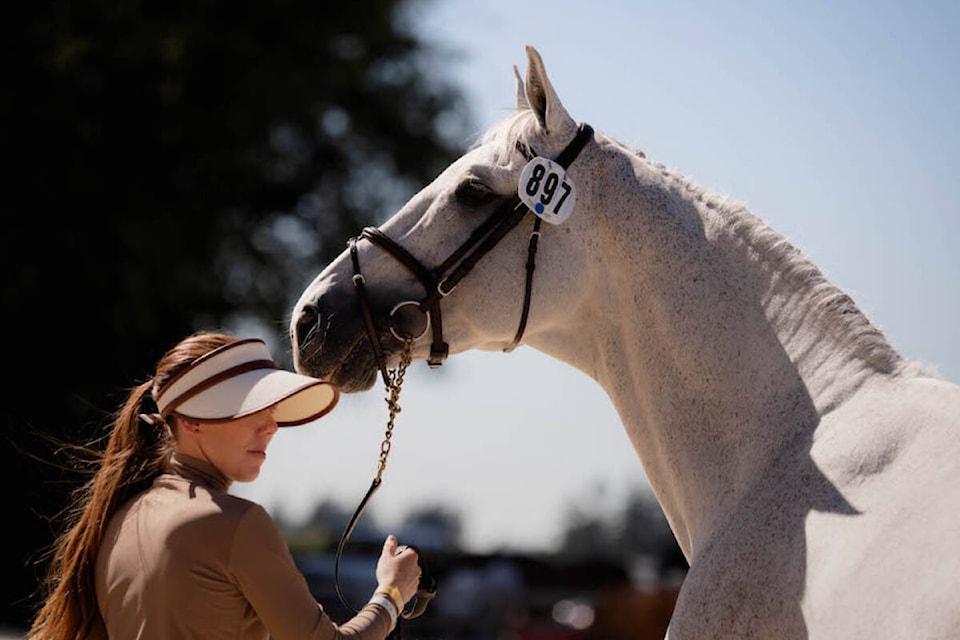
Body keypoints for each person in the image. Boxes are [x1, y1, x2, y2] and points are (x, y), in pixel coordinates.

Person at [28, 331, 422, 640]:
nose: (270, 426)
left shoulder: (117, 519)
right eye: (249, 408)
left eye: (270, 408)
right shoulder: (238, 524)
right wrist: (391, 593)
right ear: (191, 420)